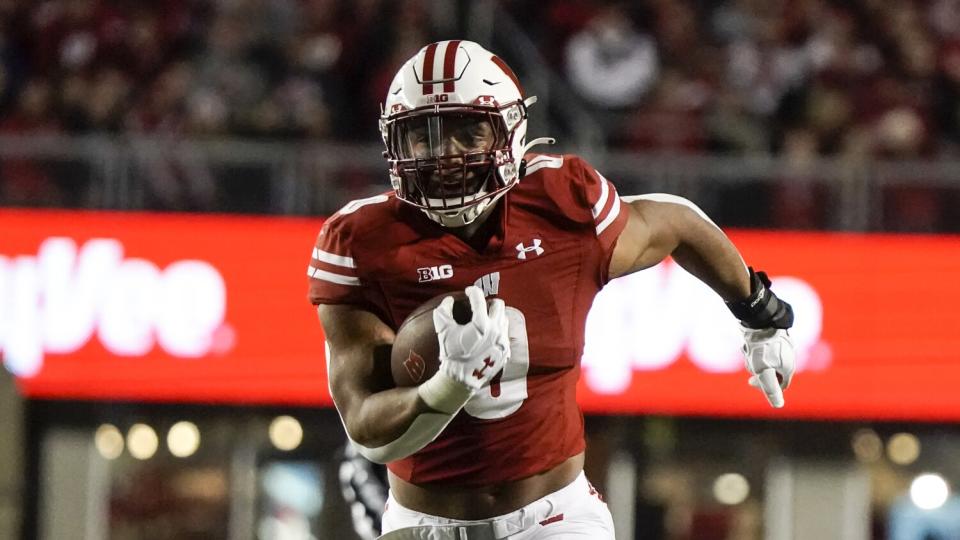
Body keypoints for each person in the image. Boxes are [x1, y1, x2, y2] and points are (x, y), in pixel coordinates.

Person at [307, 40, 795, 540]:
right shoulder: (361, 242)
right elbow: (367, 428)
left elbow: (676, 222)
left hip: (554, 518)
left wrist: (761, 313)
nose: (444, 157)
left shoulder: (562, 203)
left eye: (466, 131)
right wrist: (446, 386)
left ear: (512, 132)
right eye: (423, 136)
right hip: (423, 524)